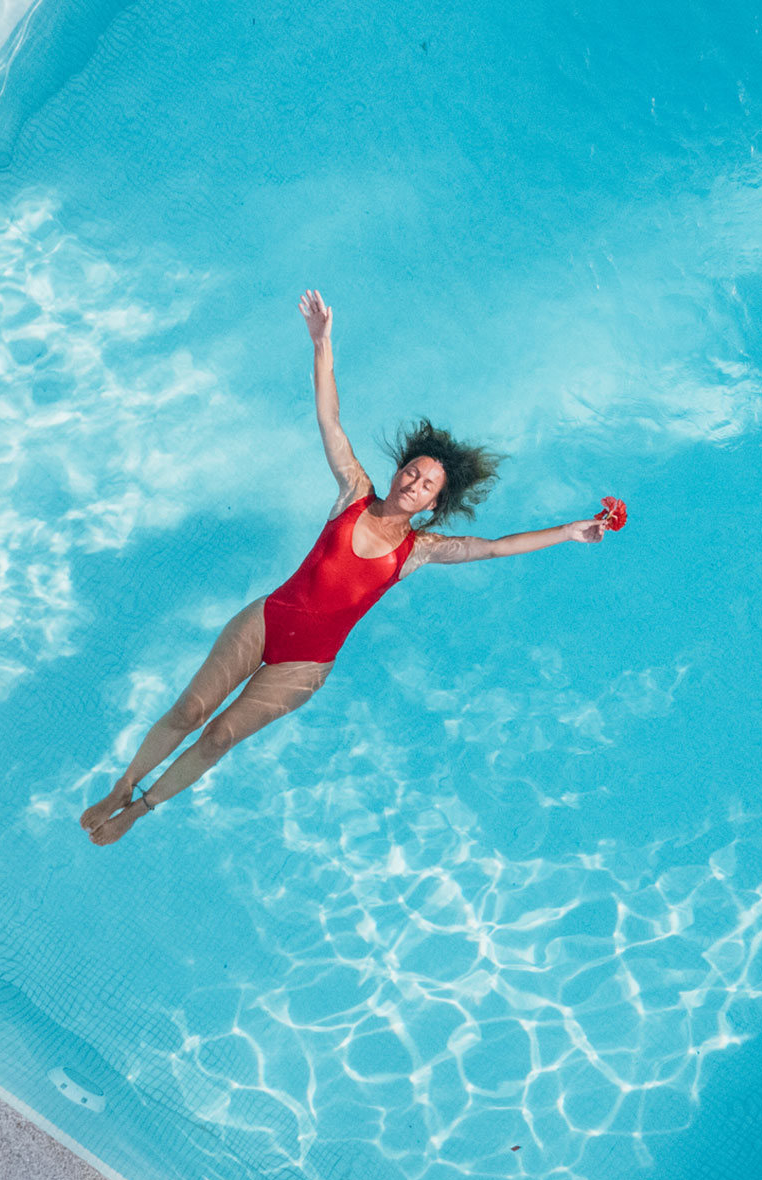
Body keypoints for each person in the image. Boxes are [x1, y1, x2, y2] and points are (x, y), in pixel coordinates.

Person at [81, 289, 610, 845]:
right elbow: (330, 418)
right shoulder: (354, 492)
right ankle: (125, 782)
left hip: (303, 667)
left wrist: (570, 531)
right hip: (265, 620)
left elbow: (497, 546)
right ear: (400, 470)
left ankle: (141, 809)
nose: (414, 483)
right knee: (191, 709)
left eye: (427, 485)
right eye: (412, 472)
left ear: (432, 505)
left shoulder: (419, 551)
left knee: (217, 738)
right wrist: (321, 344)